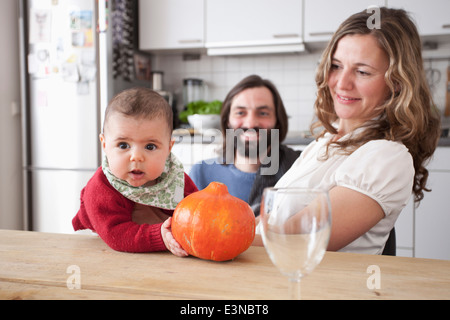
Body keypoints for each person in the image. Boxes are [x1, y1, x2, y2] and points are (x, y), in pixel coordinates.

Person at [253, 7, 441, 254]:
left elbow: (293, 244)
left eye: (362, 71)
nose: (341, 83)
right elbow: (264, 225)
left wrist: (207, 233)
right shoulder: (323, 143)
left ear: (396, 82)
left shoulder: (387, 158)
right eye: (336, 66)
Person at [72, 88, 198, 256]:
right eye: (123, 145)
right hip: (107, 251)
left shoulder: (175, 179)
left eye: (150, 146)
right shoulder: (101, 187)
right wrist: (159, 235)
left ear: (168, 149)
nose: (136, 157)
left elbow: (198, 210)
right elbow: (116, 235)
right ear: (105, 145)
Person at [189, 75, 300, 214]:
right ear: (227, 120)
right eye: (240, 112)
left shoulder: (299, 170)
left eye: (263, 113)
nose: (251, 123)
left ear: (277, 121)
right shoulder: (201, 174)